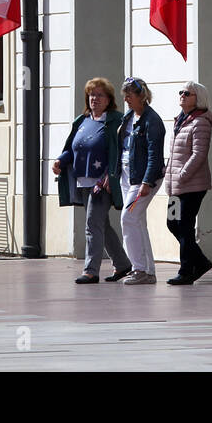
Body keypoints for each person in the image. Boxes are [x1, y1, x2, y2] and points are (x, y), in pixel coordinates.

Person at [53, 77, 132, 283]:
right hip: (83, 179)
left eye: (99, 95)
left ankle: (91, 271)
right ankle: (123, 265)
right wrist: (60, 160)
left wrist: (109, 175)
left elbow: (120, 151)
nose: (94, 99)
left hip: (102, 182)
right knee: (101, 225)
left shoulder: (115, 120)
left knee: (92, 224)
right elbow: (71, 147)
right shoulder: (82, 120)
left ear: (109, 99)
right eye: (91, 95)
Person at [164, 81, 212, 284]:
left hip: (192, 186)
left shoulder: (200, 121)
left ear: (198, 99)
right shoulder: (180, 120)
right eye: (181, 92)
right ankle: (201, 261)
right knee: (172, 223)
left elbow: (199, 154)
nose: (183, 95)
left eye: (188, 93)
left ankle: (186, 271)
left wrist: (183, 174)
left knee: (184, 226)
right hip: (175, 186)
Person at [117, 77, 166, 285]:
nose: (126, 98)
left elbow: (155, 154)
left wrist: (147, 182)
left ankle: (139, 268)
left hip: (143, 179)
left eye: (130, 94)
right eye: (125, 93)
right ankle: (147, 271)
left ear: (142, 96)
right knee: (137, 221)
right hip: (128, 176)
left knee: (127, 218)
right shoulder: (129, 117)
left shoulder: (151, 120)